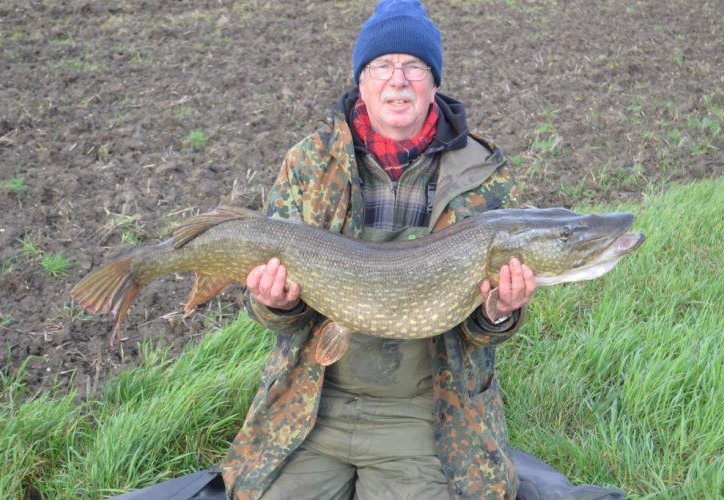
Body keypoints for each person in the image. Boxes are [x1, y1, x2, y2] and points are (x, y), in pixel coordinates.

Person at [219, 2, 622, 499]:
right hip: (313, 398)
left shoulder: (484, 175)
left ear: (434, 82)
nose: (398, 80)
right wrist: (273, 302)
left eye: (414, 66)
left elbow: (482, 333)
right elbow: (275, 314)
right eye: (382, 66)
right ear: (361, 82)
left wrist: (497, 313)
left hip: (422, 410)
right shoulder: (308, 162)